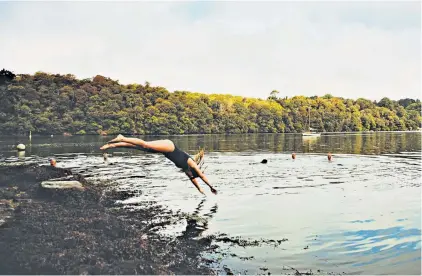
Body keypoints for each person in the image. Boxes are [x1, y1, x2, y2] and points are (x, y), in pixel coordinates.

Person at [100, 134, 217, 195]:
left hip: (164, 151)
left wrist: (200, 190)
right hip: (169, 147)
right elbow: (201, 176)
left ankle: (112, 145)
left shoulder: (187, 170)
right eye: (193, 173)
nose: (191, 175)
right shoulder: (190, 163)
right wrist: (211, 187)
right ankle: (122, 137)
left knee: (141, 148)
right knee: (145, 145)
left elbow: (194, 180)